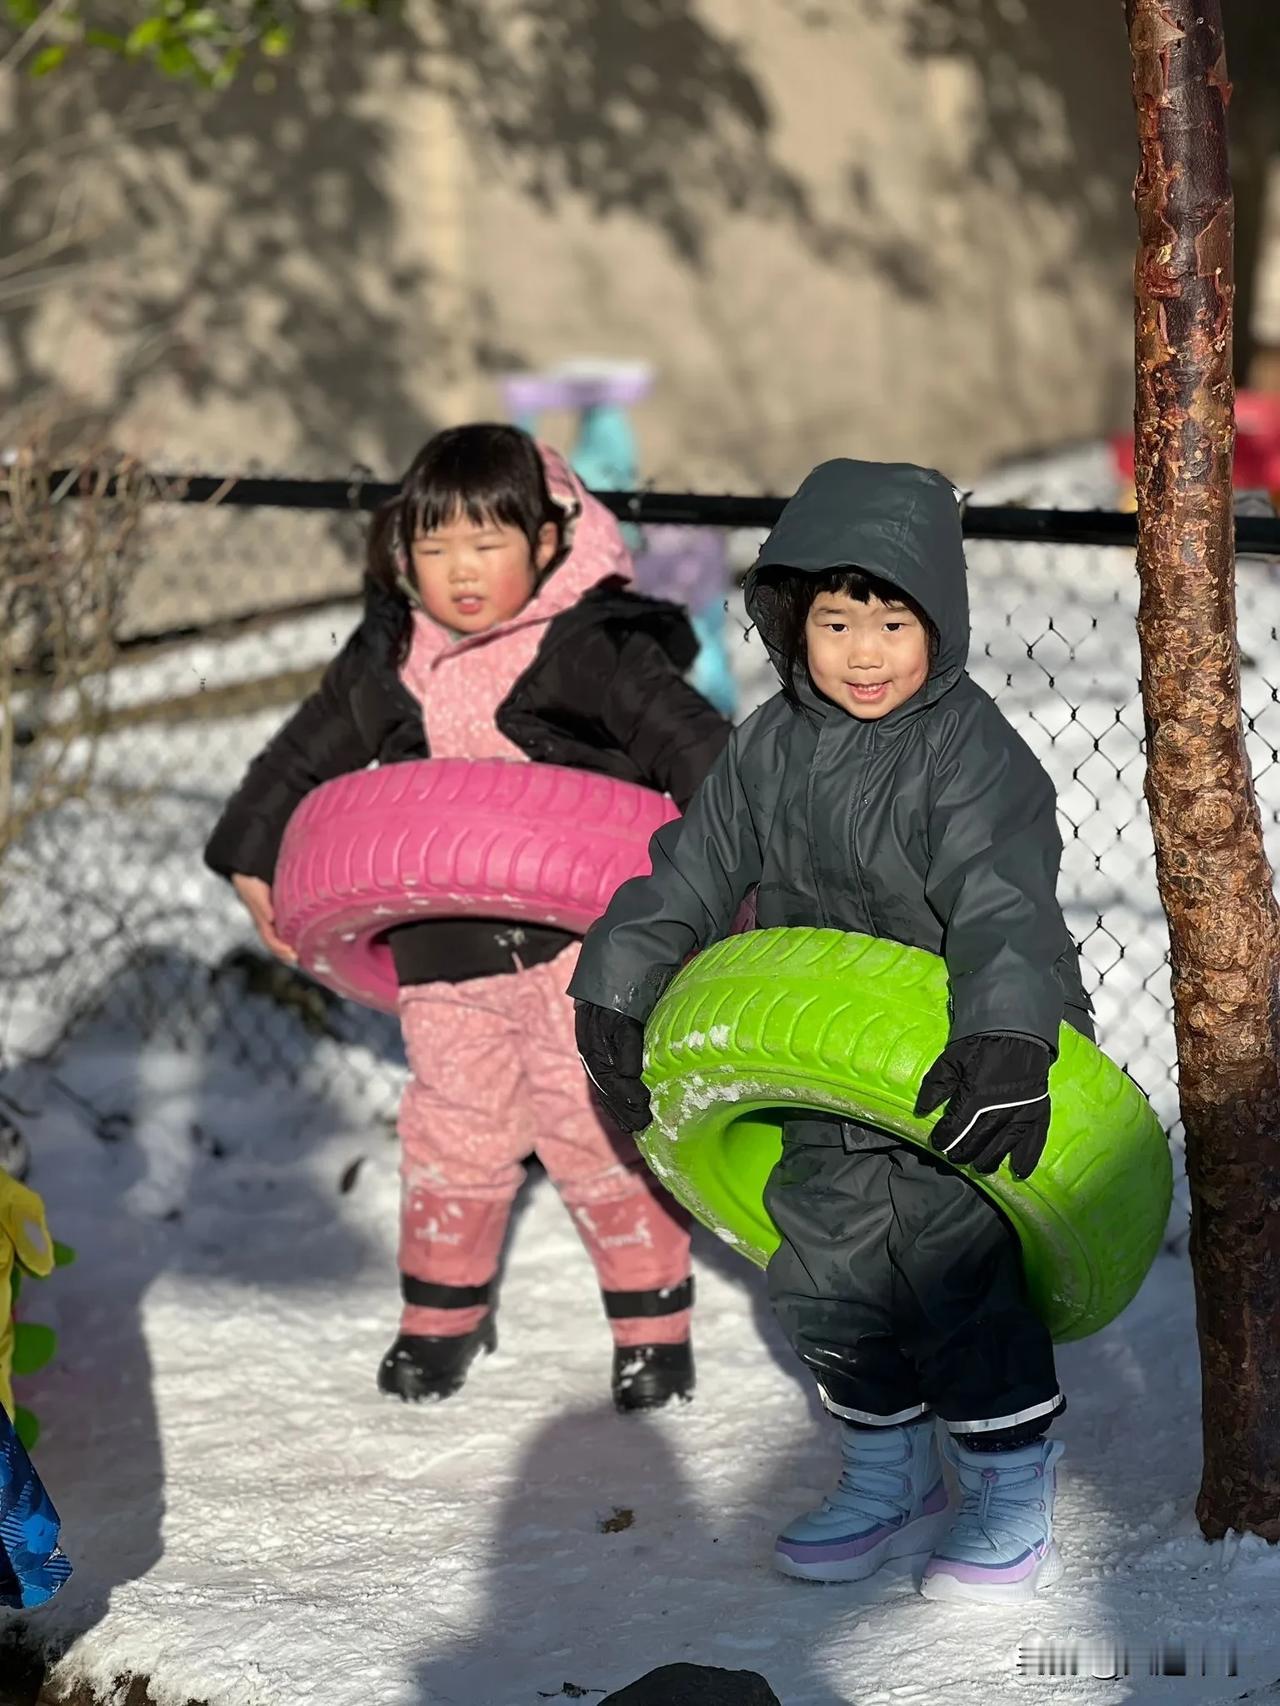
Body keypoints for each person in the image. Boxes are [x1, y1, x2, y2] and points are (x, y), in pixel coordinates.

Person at [571, 458, 1093, 1602]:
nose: (861, 652)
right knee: (824, 1270)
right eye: (834, 619)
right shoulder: (766, 747)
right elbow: (692, 871)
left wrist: (1013, 1033)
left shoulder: (969, 751)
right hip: (816, 1066)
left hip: (956, 1064)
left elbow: (1004, 903)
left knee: (955, 1275)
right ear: (788, 622)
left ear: (936, 622)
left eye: (890, 619)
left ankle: (1004, 1474)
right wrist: (615, 980)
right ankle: (882, 1466)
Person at [206, 425, 729, 1410]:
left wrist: (712, 880)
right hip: (438, 951)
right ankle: (439, 1314)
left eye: (487, 543)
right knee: (453, 1129)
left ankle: (651, 1324)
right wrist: (252, 859)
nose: (460, 571)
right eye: (434, 546)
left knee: (592, 1126)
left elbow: (701, 756)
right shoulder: (393, 656)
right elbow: (295, 761)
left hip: (581, 953)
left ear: (546, 538)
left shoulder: (591, 646)